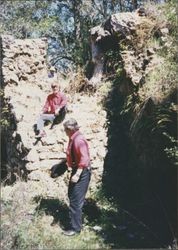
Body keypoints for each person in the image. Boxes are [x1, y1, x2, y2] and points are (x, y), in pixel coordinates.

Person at [63, 118, 91, 236]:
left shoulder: (78, 140)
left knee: (75, 199)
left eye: (65, 129)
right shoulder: (73, 138)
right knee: (72, 195)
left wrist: (77, 174)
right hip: (78, 169)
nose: (64, 131)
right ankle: (76, 221)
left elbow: (84, 159)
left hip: (82, 171)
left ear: (69, 129)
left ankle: (76, 229)